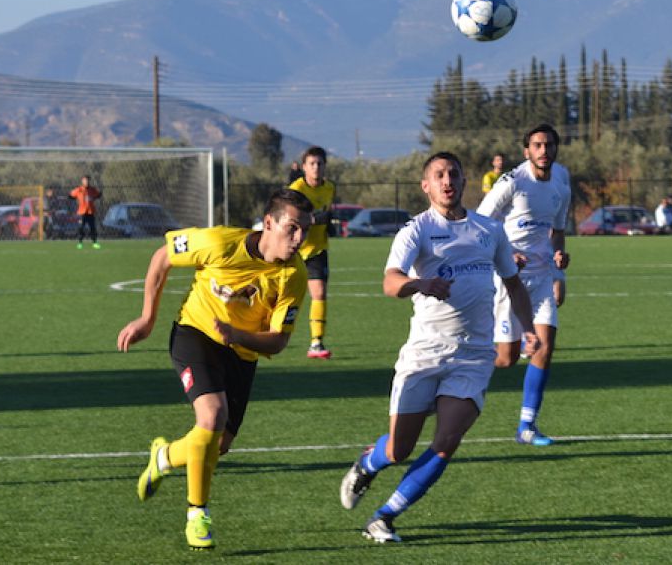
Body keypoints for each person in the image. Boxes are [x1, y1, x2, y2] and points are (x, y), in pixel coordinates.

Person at [339, 152, 538, 543]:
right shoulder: (417, 230)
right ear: (426, 185)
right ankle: (368, 464)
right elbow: (390, 281)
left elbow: (513, 284)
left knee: (447, 442)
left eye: (454, 174)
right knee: (398, 450)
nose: (447, 181)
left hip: (473, 356)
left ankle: (384, 517)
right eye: (439, 175)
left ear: (463, 181)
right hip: (425, 353)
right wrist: (419, 284)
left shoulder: (489, 229)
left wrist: (528, 329)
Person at [119, 188, 312, 550]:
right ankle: (197, 514)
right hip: (195, 333)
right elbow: (163, 256)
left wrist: (237, 335)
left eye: (306, 230)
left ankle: (163, 457)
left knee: (217, 444)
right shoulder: (218, 243)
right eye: (293, 228)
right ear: (268, 223)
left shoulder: (294, 275)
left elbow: (278, 341)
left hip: (241, 351)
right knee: (212, 416)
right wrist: (147, 318)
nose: (300, 238)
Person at [476, 124, 570, 446]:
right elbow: (481, 222)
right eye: (537, 145)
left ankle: (527, 427)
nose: (544, 151)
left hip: (542, 278)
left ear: (556, 149)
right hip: (509, 279)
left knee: (543, 348)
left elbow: (558, 232)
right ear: (526, 150)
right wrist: (506, 253)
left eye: (549, 145)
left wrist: (559, 269)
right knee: (506, 358)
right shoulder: (512, 182)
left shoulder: (561, 186)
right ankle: (464, 362)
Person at [289, 146, 335, 358]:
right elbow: (292, 218)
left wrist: (329, 224)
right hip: (293, 249)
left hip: (317, 249)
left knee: (319, 293)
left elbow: (328, 212)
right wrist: (314, 220)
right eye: (312, 164)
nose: (316, 167)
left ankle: (316, 343)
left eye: (320, 163)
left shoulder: (329, 188)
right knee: (281, 294)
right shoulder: (296, 189)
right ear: (304, 167)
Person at [70, 175, 101, 249]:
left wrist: (96, 196)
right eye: (85, 180)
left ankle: (94, 243)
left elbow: (98, 195)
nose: (86, 182)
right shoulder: (79, 189)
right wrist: (77, 199)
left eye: (87, 180)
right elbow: (71, 195)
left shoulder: (92, 189)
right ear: (82, 181)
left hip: (90, 212)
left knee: (92, 228)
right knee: (81, 227)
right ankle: (80, 243)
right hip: (82, 212)